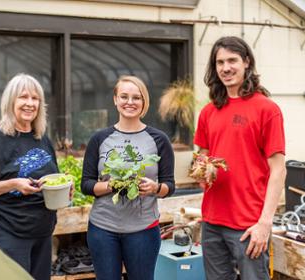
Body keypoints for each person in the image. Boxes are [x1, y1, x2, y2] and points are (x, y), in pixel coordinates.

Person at [194, 36, 286, 280]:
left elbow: (278, 171)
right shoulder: (208, 111)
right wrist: (200, 170)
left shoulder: (266, 109)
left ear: (246, 62)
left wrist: (265, 223)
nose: (226, 68)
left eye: (232, 60)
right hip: (212, 221)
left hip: (249, 224)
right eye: (219, 62)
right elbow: (202, 159)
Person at [81, 75, 175, 280]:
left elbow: (170, 185)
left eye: (136, 97)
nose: (130, 102)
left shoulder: (159, 139)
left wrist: (154, 188)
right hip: (103, 229)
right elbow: (86, 185)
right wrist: (111, 185)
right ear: (115, 99)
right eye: (124, 96)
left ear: (144, 102)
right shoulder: (99, 139)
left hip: (143, 230)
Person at [0, 73, 59, 280]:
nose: (30, 103)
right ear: (11, 102)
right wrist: (12, 184)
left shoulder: (42, 139)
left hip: (42, 232)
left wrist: (62, 191)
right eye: (23, 97)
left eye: (35, 98)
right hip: (7, 231)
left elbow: (52, 179)